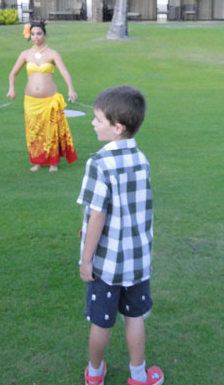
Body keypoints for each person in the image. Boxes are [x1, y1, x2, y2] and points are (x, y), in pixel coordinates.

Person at [77, 86, 164, 385]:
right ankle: (139, 376)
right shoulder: (141, 159)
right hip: (138, 260)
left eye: (98, 119)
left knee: (101, 321)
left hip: (106, 263)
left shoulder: (98, 163)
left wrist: (86, 259)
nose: (93, 123)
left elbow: (97, 214)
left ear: (118, 127)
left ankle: (95, 373)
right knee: (134, 317)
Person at [7, 20, 78, 172]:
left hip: (49, 99)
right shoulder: (25, 54)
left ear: (44, 35)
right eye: (33, 34)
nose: (36, 37)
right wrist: (12, 89)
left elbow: (64, 72)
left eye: (39, 34)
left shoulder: (52, 54)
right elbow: (13, 74)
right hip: (31, 101)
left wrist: (71, 89)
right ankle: (37, 162)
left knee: (50, 130)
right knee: (34, 131)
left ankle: (53, 162)